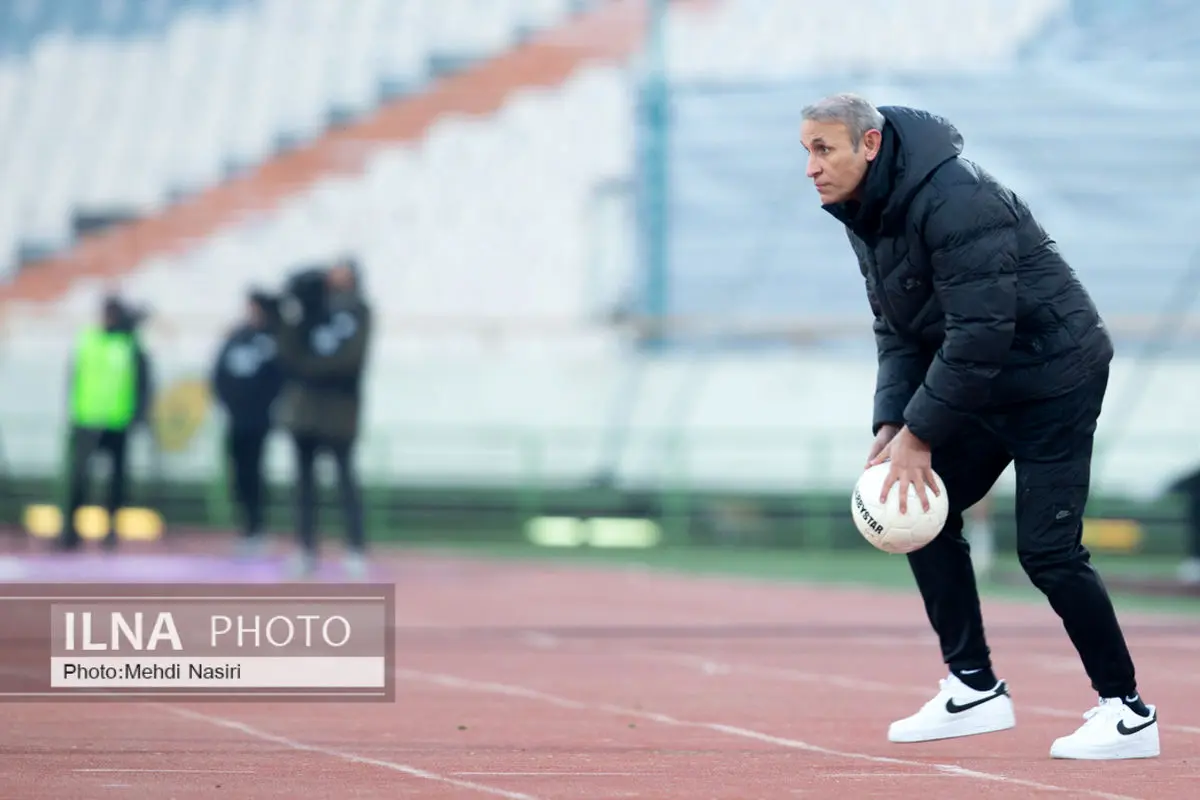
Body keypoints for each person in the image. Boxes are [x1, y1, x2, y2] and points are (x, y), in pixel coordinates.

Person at [800, 93, 1159, 760]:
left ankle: (1128, 711)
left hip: (1055, 376)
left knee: (1048, 553)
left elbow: (980, 334)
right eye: (806, 152)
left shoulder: (958, 198)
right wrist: (891, 423)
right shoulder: (863, 212)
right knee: (914, 509)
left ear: (870, 146)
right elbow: (898, 329)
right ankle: (974, 687)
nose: (812, 167)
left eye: (824, 149)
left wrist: (920, 433)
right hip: (986, 381)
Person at [273, 257, 372, 579]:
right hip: (305, 412)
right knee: (303, 486)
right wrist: (295, 307)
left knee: (345, 482)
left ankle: (355, 549)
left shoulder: (358, 311)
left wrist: (309, 369)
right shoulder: (310, 310)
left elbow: (347, 361)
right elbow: (288, 351)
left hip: (339, 412)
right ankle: (305, 549)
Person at [60, 295, 153, 551]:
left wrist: (138, 415)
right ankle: (71, 531)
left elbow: (142, 382)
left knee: (115, 483)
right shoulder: (88, 339)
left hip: (117, 421)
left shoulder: (130, 344)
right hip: (87, 419)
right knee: (79, 479)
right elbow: (75, 376)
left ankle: (110, 532)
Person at [211, 289, 284, 557]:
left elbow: (279, 378)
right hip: (236, 419)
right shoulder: (236, 337)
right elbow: (218, 373)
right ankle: (245, 527)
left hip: (259, 420)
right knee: (238, 476)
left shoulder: (273, 339)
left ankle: (257, 528)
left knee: (256, 475)